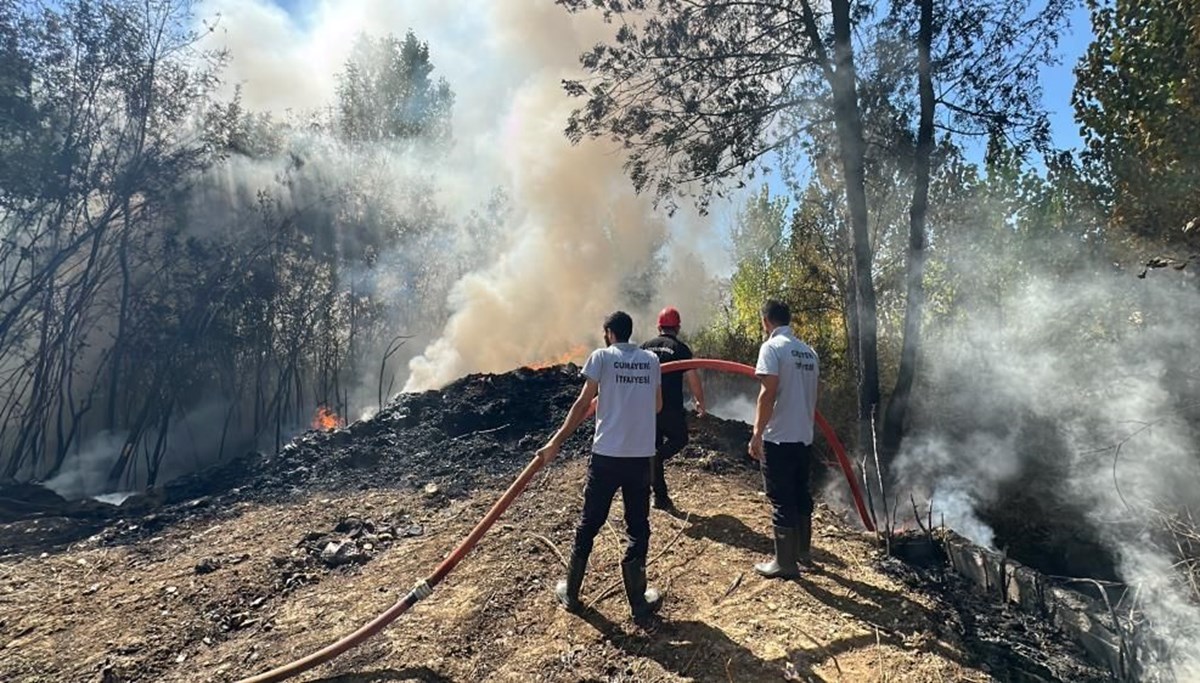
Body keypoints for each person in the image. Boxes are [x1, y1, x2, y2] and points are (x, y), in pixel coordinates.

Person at [536, 311, 665, 621]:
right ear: (630, 333)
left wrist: (556, 441)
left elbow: (582, 404)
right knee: (638, 527)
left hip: (606, 456)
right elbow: (657, 405)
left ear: (609, 333)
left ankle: (571, 592)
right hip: (639, 458)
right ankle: (638, 602)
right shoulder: (651, 361)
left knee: (590, 522)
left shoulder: (601, 358)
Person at [747, 300, 820, 579]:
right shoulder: (809, 352)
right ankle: (803, 553)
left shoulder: (772, 348)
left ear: (766, 321)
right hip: (804, 435)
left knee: (780, 498)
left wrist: (756, 433)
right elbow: (815, 393)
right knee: (801, 493)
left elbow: (767, 394)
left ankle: (785, 564)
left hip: (779, 438)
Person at [640, 306, 706, 511]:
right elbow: (693, 377)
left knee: (653, 449)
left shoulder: (644, 347)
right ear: (677, 327)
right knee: (680, 439)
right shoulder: (680, 348)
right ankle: (657, 474)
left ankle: (659, 498)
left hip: (647, 409)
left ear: (659, 327)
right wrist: (700, 401)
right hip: (670, 409)